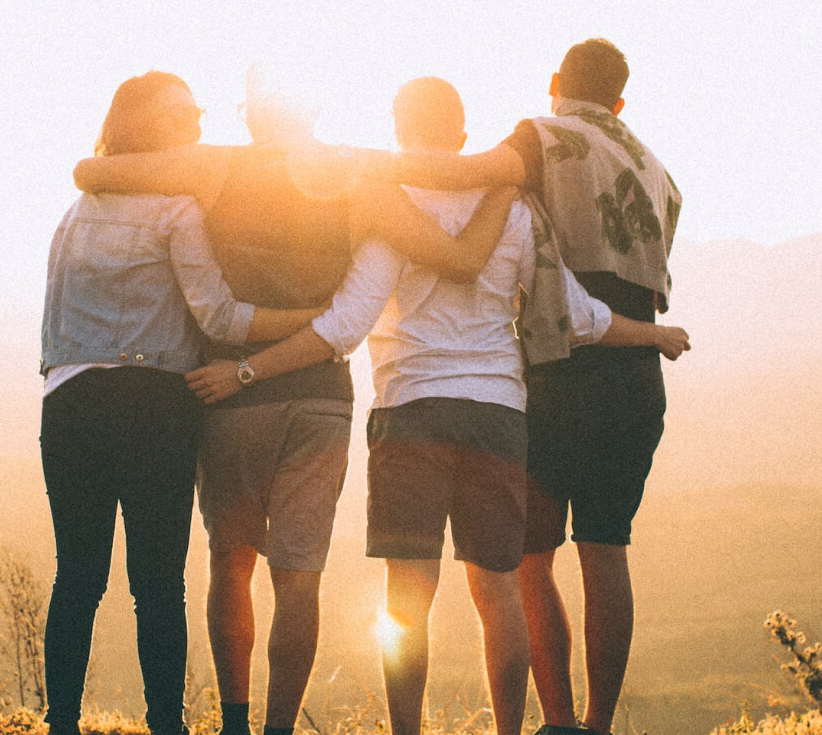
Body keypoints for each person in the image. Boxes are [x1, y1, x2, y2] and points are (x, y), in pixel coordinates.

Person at [185, 77, 688, 735]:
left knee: (408, 594)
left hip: (410, 412)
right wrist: (652, 333)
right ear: (461, 134)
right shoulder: (513, 209)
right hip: (499, 416)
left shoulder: (389, 208)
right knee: (499, 588)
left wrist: (249, 370)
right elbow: (577, 316)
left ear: (399, 132)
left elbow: (344, 326)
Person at [71, 65, 517, 735]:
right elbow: (454, 249)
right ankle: (280, 726)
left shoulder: (212, 167)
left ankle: (236, 723)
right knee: (299, 578)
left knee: (232, 561)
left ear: (251, 113)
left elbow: (93, 175)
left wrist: (95, 164)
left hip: (229, 397)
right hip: (320, 400)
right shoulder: (359, 177)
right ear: (314, 109)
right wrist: (509, 173)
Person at [365, 39, 684, 735]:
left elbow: (464, 173)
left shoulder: (542, 137)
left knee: (527, 561)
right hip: (635, 368)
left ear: (554, 84)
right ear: (620, 100)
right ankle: (597, 725)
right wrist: (652, 333)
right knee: (606, 547)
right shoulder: (656, 168)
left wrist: (358, 169)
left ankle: (558, 721)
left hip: (559, 365)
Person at [39, 71, 324, 735]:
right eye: (182, 115)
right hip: (153, 405)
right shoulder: (176, 211)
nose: (197, 125)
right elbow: (220, 318)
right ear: (145, 125)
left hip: (69, 402)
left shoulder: (73, 214)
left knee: (77, 576)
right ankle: (166, 725)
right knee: (157, 583)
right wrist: (312, 318)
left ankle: (61, 724)